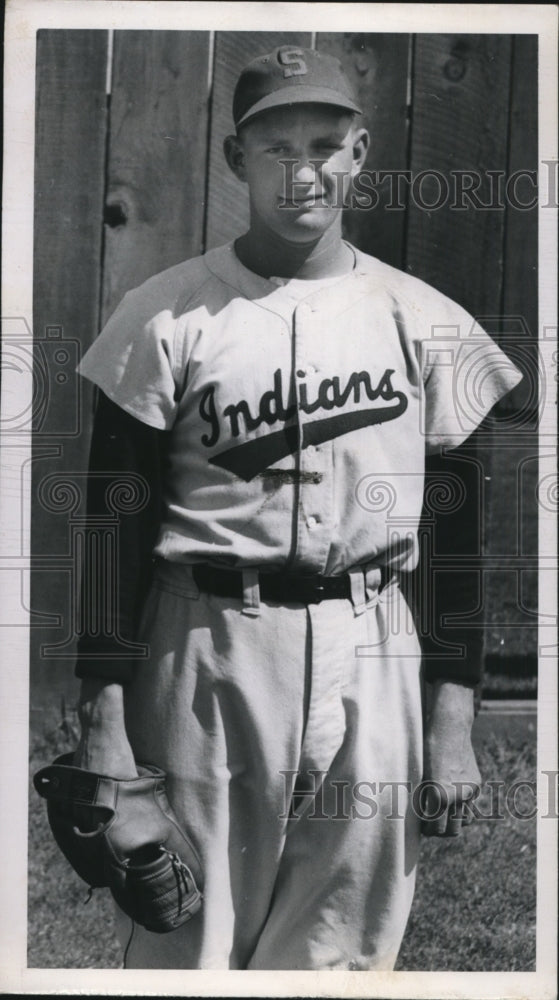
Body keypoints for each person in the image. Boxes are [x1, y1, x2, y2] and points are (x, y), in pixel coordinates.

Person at [73, 46, 522, 970]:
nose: (302, 169)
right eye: (274, 147)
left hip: (374, 645)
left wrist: (452, 723)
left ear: (360, 154)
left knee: (345, 947)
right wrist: (104, 721)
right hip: (206, 647)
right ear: (235, 161)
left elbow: (455, 541)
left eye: (325, 143)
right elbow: (109, 531)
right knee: (190, 940)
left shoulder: (420, 318)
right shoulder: (165, 318)